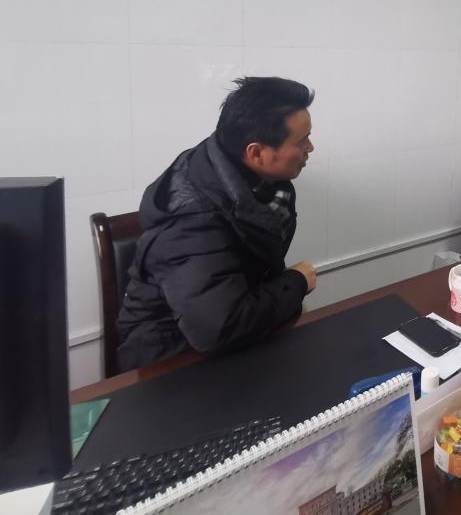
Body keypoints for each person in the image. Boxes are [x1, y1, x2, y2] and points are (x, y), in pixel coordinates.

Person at [117, 77, 319, 370]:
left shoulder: (253, 176)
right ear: (256, 153)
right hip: (169, 360)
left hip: (235, 334)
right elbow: (219, 328)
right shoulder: (192, 221)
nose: (310, 148)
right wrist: (295, 282)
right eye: (302, 141)